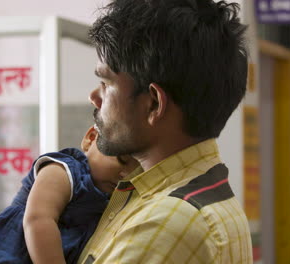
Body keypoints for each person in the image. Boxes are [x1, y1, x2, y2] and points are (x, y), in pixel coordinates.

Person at [78, 0, 253, 263]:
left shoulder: (164, 225)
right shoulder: (195, 193)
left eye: (106, 83)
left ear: (153, 103)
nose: (94, 96)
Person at [0, 126, 139, 264]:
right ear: (91, 138)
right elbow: (38, 219)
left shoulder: (117, 196)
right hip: (16, 252)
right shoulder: (64, 170)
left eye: (137, 169)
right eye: (122, 159)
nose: (126, 174)